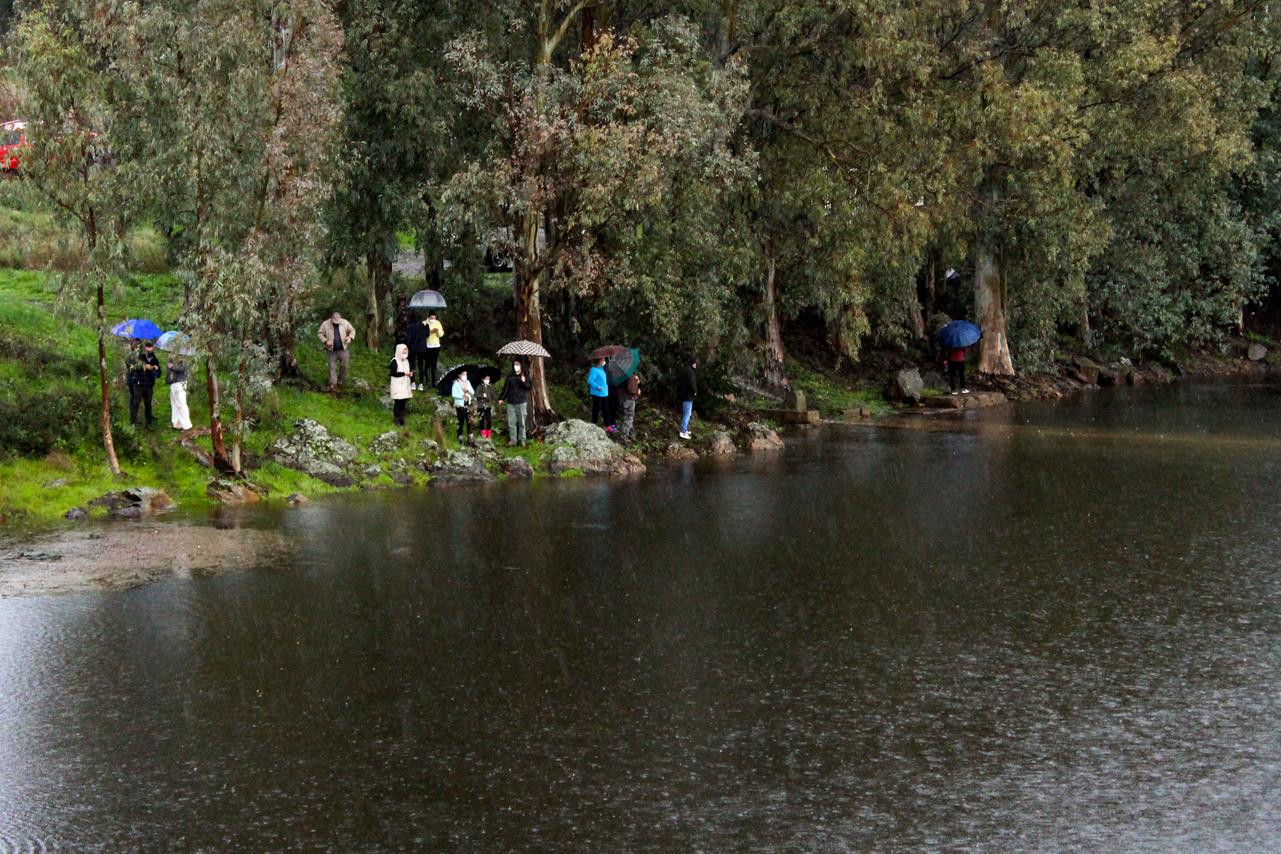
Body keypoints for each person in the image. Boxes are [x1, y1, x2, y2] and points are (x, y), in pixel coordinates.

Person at [318, 311, 356, 390]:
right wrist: (325, 341)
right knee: (332, 367)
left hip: (343, 349)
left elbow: (352, 330)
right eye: (334, 321)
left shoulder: (345, 322)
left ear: (340, 318)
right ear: (331, 318)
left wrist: (350, 337)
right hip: (331, 350)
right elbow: (319, 333)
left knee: (344, 366)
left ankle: (340, 381)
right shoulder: (325, 324)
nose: (336, 322)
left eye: (338, 321)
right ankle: (333, 383)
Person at [128, 340, 161, 427]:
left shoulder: (154, 359)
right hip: (138, 384)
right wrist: (144, 367)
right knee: (136, 403)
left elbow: (158, 374)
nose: (150, 352)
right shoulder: (139, 357)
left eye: (151, 351)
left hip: (149, 385)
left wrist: (155, 369)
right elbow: (131, 367)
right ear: (145, 350)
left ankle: (148, 423)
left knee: (148, 404)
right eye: (148, 351)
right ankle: (133, 422)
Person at [499, 360, 532, 446]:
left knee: (522, 422)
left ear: (521, 365)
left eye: (517, 364)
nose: (515, 366)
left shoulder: (525, 375)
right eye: (514, 364)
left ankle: (522, 440)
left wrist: (523, 381)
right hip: (511, 402)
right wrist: (501, 398)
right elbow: (505, 388)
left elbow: (529, 387)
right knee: (511, 422)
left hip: (521, 402)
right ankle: (513, 440)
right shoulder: (510, 376)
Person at [165, 354, 193, 431]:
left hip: (180, 383)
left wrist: (172, 367)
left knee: (181, 404)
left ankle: (186, 425)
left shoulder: (183, 360)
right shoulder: (172, 359)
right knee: (174, 404)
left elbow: (182, 369)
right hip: (173, 384)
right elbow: (169, 371)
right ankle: (176, 424)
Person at [406, 313, 432, 391]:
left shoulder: (410, 327)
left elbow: (409, 339)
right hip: (422, 349)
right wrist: (427, 326)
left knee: (412, 365)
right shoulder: (423, 326)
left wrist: (407, 346)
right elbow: (427, 335)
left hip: (413, 349)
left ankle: (413, 383)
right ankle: (421, 384)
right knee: (421, 365)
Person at [389, 343, 414, 425]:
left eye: (406, 351)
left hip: (405, 385)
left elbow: (407, 372)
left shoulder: (406, 361)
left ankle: (401, 418)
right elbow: (393, 373)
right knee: (398, 402)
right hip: (397, 385)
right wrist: (404, 374)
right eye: (403, 351)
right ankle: (396, 418)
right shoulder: (394, 361)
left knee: (403, 402)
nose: (405, 353)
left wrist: (410, 374)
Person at [676, 356, 697, 440]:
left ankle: (685, 429)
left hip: (684, 395)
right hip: (688, 395)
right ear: (692, 363)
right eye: (695, 363)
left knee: (688, 413)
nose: (696, 365)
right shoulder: (690, 372)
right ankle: (683, 431)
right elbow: (692, 384)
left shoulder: (684, 370)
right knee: (687, 413)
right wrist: (695, 391)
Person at [451, 368, 474, 443]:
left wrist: (468, 391)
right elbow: (454, 394)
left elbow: (473, 392)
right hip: (460, 405)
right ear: (459, 375)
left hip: (469, 404)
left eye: (466, 374)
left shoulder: (468, 382)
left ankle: (470, 436)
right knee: (460, 421)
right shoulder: (456, 383)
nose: (465, 376)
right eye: (463, 374)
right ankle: (459, 436)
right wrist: (462, 395)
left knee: (469, 421)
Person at [619, 372, 641, 444]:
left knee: (627, 417)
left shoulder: (620, 374)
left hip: (623, 398)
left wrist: (637, 382)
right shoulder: (629, 374)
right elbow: (631, 389)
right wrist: (637, 391)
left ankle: (631, 435)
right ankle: (623, 438)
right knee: (629, 418)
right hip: (629, 399)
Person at [423, 311, 444, 386]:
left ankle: (433, 381)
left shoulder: (437, 323)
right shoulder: (424, 323)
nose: (433, 319)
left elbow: (441, 334)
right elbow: (422, 335)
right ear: (428, 317)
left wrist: (437, 331)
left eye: (434, 318)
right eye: (431, 318)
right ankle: (426, 379)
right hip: (427, 346)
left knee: (434, 364)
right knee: (427, 363)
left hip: (436, 346)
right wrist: (430, 332)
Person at [588, 358, 609, 425]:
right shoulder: (594, 370)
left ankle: (608, 426)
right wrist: (597, 386)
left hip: (604, 393)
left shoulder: (602, 369)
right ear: (598, 361)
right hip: (597, 393)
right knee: (596, 409)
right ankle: (594, 423)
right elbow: (590, 381)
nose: (604, 360)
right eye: (602, 359)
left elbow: (609, 373)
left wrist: (605, 365)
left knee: (606, 409)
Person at [475, 373, 495, 439]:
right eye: (486, 379)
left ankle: (488, 433)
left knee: (489, 420)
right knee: (482, 420)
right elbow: (476, 395)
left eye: (488, 379)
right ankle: (483, 434)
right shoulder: (479, 386)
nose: (487, 380)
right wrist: (482, 396)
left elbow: (493, 396)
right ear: (482, 379)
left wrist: (489, 398)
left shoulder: (490, 386)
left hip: (488, 406)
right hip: (480, 406)